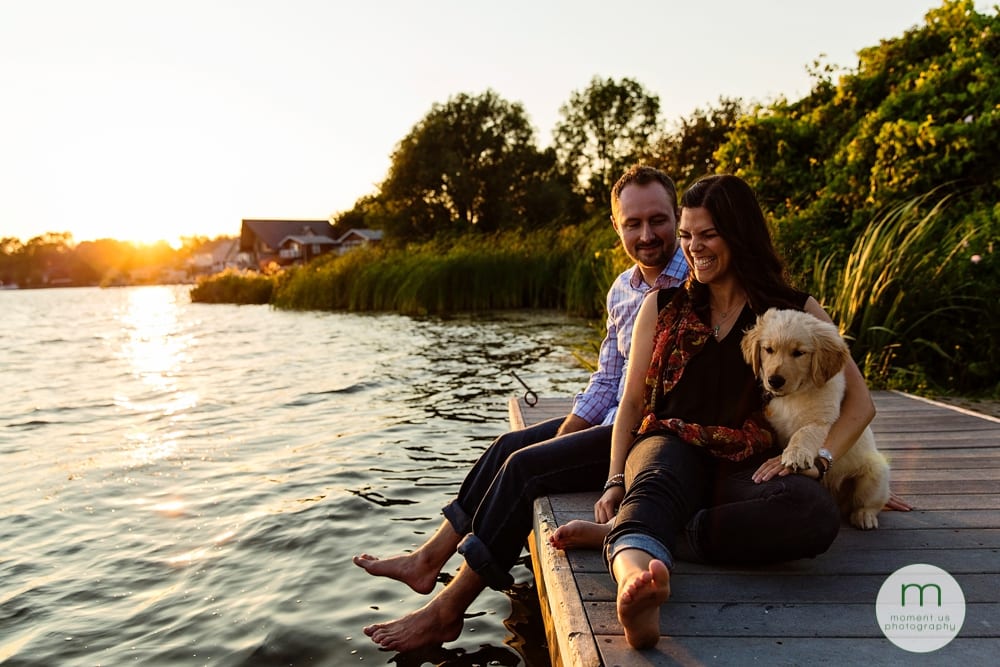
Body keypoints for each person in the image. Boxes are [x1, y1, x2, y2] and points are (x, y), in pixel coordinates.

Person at [354, 165, 689, 652]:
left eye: (658, 220)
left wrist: (568, 452)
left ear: (677, 217)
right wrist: (567, 434)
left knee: (524, 467)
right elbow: (608, 379)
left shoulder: (694, 284)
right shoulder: (623, 289)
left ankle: (448, 611)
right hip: (613, 421)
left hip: (648, 437)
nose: (646, 235)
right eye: (632, 224)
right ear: (615, 226)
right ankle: (429, 559)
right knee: (509, 444)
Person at [598, 174, 879, 650]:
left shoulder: (791, 309)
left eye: (707, 234)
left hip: (747, 456)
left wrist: (825, 460)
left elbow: (860, 403)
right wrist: (614, 480)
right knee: (655, 483)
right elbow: (630, 401)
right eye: (686, 235)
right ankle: (636, 589)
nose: (692, 247)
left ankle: (651, 530)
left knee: (813, 513)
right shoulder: (669, 302)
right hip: (671, 440)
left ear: (739, 232)